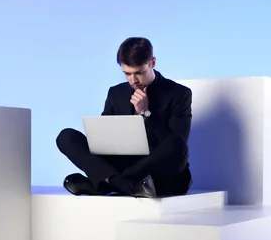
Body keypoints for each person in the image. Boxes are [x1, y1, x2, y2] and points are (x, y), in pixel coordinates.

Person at [56, 37, 193, 198]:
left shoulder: (179, 93)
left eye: (139, 73)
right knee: (66, 137)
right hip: (123, 163)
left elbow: (177, 144)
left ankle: (107, 183)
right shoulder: (116, 93)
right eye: (127, 73)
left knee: (176, 143)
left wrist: (145, 113)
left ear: (153, 63)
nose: (133, 80)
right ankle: (124, 184)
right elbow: (104, 138)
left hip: (159, 171)